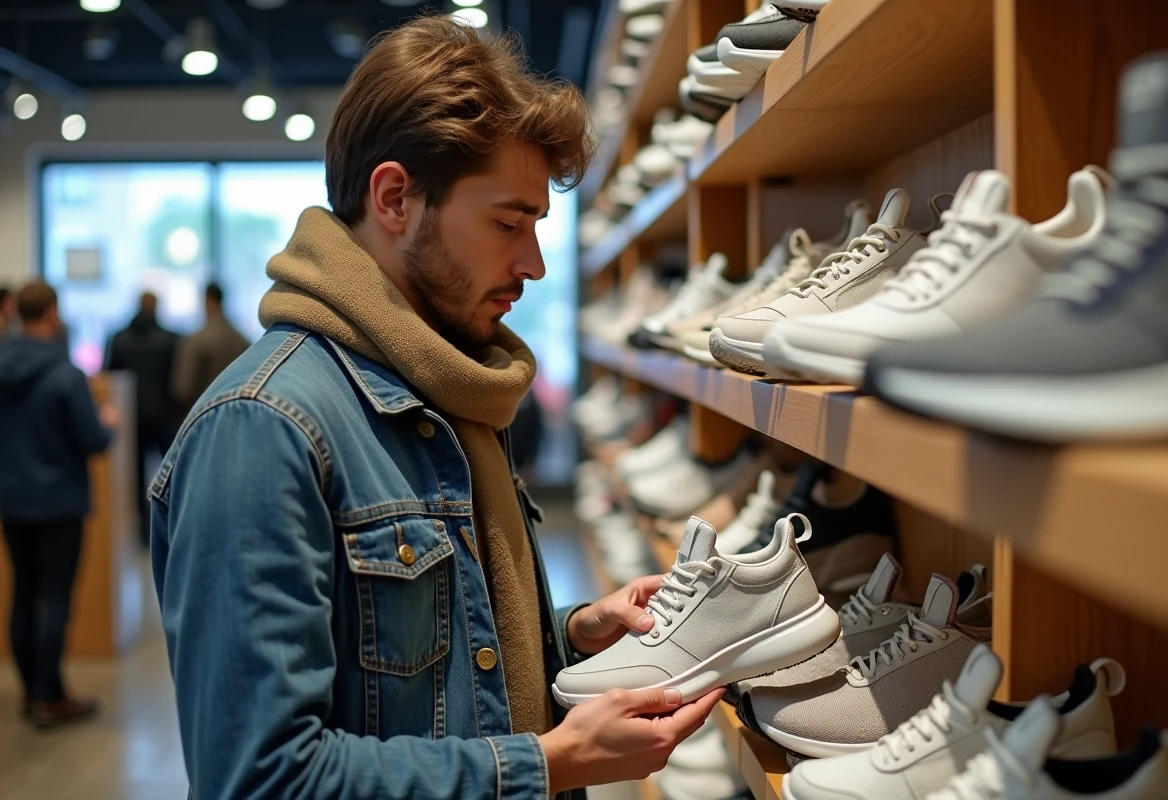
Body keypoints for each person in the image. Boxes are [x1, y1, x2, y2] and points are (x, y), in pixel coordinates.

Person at [150, 16, 722, 800]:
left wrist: (568, 637)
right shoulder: (261, 429)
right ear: (395, 198)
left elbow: (429, 679)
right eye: (508, 222)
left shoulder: (448, 385)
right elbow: (262, 777)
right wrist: (550, 764)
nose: (534, 264)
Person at [0, 281, 117, 727]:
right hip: (58, 502)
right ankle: (51, 696)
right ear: (51, 313)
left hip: (11, 499)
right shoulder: (65, 375)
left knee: (21, 592)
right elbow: (94, 440)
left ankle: (31, 693)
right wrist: (107, 420)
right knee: (52, 595)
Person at [105, 292, 180, 544]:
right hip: (164, 417)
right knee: (171, 475)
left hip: (131, 419)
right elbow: (178, 382)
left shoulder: (118, 339)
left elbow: (109, 378)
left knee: (133, 480)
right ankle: (169, 527)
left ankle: (140, 533)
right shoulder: (172, 339)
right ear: (156, 307)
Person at [170, 282, 250, 411]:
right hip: (236, 412)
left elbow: (183, 389)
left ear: (208, 300)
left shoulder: (195, 340)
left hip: (202, 415)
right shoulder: (242, 340)